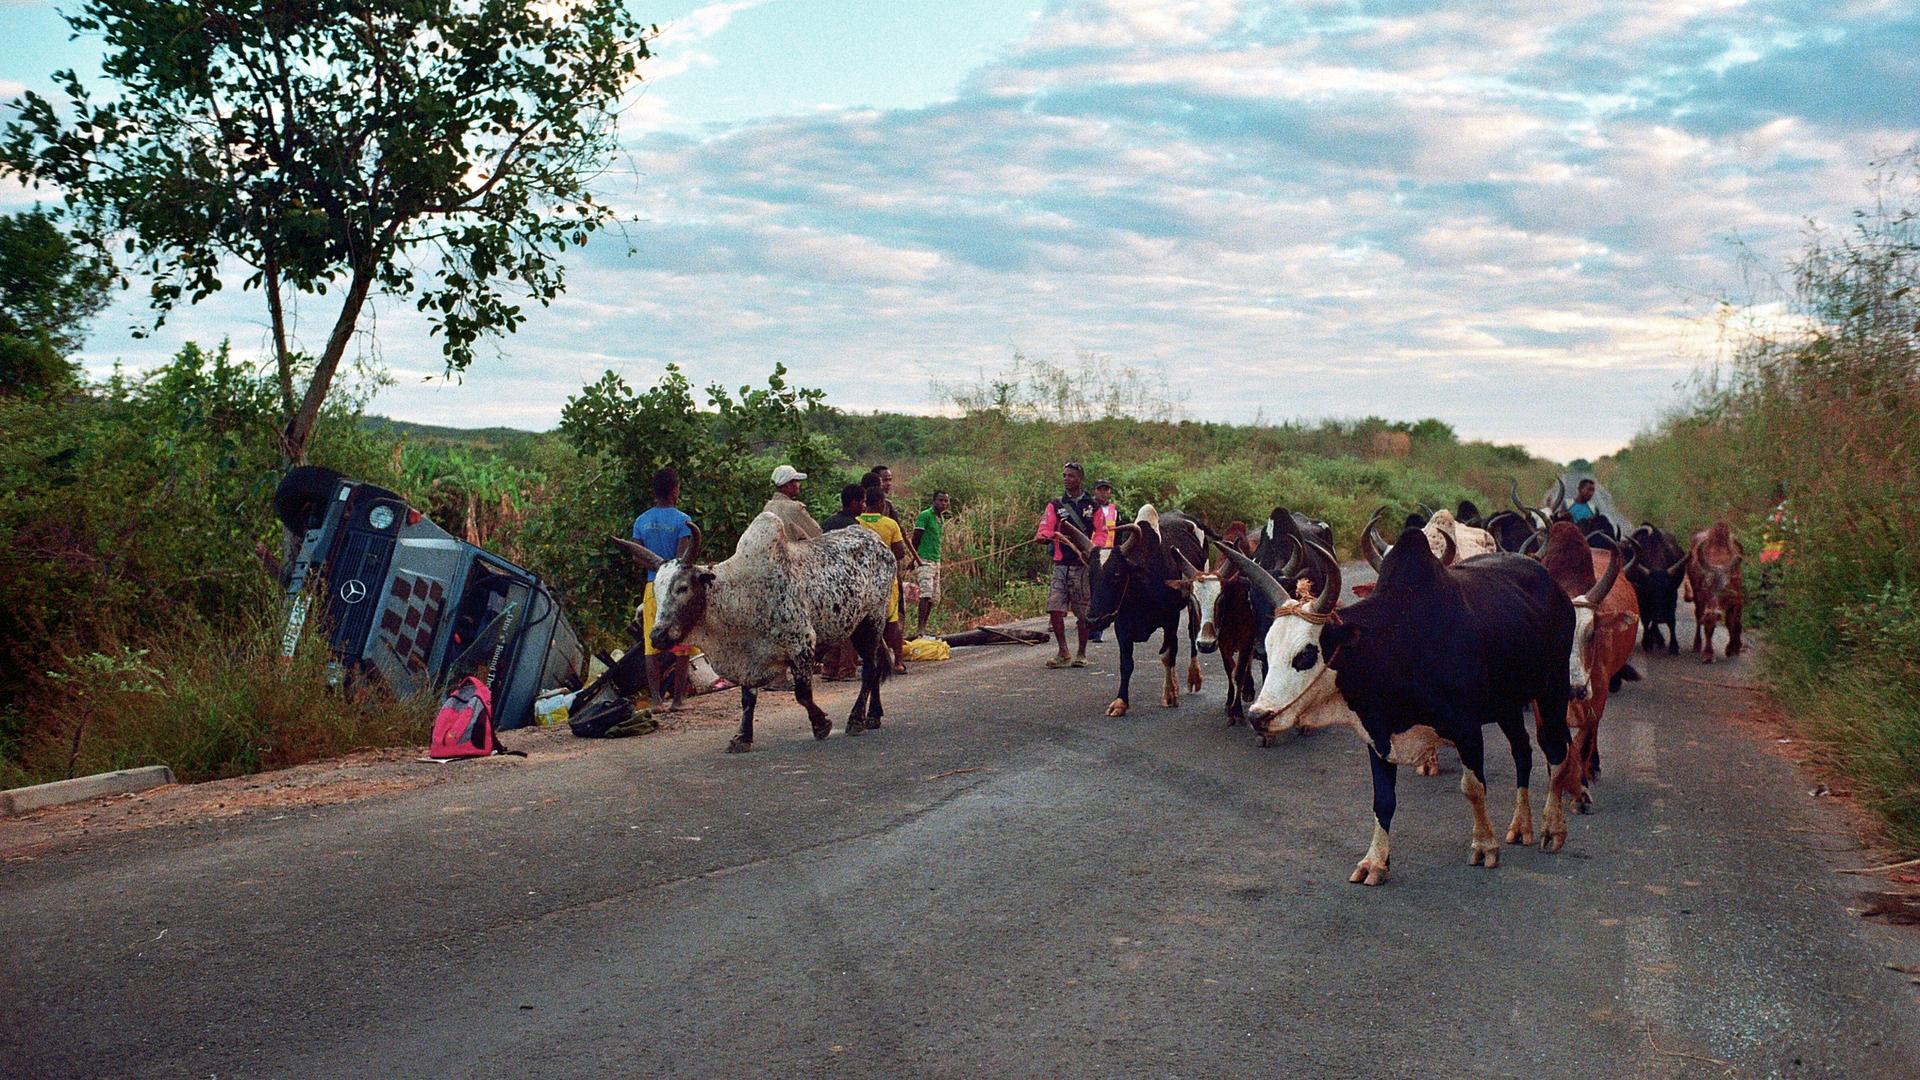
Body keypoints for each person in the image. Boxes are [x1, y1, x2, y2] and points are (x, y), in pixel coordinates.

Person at [631, 468, 696, 712]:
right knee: (682, 645)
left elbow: (637, 556)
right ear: (674, 490)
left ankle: (656, 701)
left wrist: (657, 568)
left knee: (651, 646)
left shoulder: (641, 521)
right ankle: (677, 701)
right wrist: (668, 567)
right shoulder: (683, 520)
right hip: (675, 589)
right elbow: (683, 557)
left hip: (652, 587)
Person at [1034, 461, 1094, 668]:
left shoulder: (1092, 505)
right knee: (1055, 609)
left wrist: (1093, 551)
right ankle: (1063, 652)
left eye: (1071, 476)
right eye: (1064, 475)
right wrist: (1044, 535)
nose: (1066, 479)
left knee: (1083, 613)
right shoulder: (1056, 504)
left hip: (1082, 565)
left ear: (1080, 479)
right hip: (1060, 564)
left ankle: (1081, 653)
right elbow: (1046, 525)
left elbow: (1101, 532)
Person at [857, 482, 910, 674]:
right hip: (886, 579)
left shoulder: (856, 522)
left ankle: (867, 660)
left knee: (862, 621)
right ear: (880, 503)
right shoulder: (889, 524)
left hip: (862, 579)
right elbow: (900, 552)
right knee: (892, 620)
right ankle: (898, 662)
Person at [910, 491, 951, 639]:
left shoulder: (941, 518)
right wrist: (914, 558)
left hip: (935, 560)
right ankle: (920, 629)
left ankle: (924, 627)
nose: (943, 504)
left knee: (934, 597)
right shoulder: (925, 515)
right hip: (924, 559)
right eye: (940, 500)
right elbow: (915, 538)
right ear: (934, 501)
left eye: (946, 501)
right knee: (925, 594)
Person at [1086, 480, 1120, 642]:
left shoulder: (1114, 510)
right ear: (1094, 491)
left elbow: (1118, 532)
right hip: (1092, 553)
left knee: (1102, 590)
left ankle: (1097, 629)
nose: (1103, 493)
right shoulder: (1088, 508)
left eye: (1106, 490)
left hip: (1108, 555)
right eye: (1100, 489)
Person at [764, 464, 821, 540]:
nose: (799, 485)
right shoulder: (795, 508)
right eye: (796, 481)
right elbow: (816, 533)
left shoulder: (767, 507)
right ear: (788, 485)